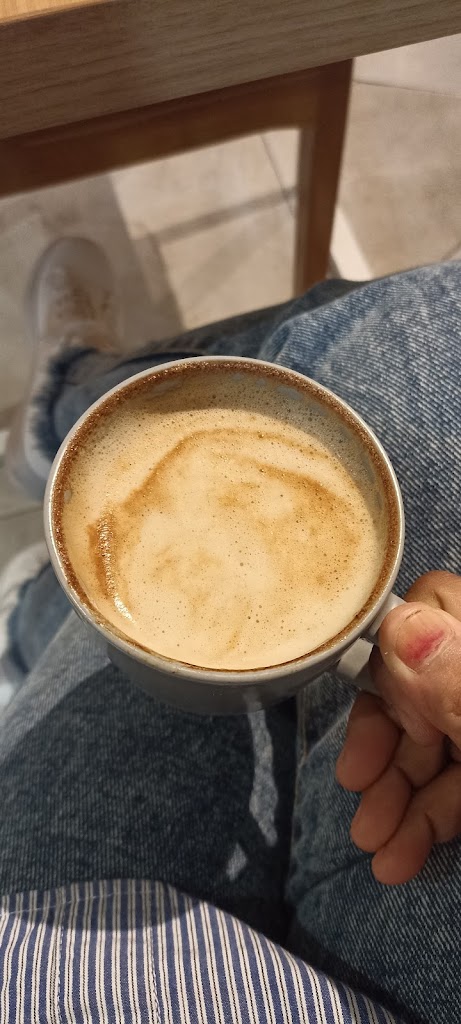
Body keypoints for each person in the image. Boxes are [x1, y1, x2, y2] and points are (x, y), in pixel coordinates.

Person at [0, 238, 459, 1024]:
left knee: (371, 331)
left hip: (61, 953)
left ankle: (58, 429)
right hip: (382, 908)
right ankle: (61, 430)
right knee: (361, 324)